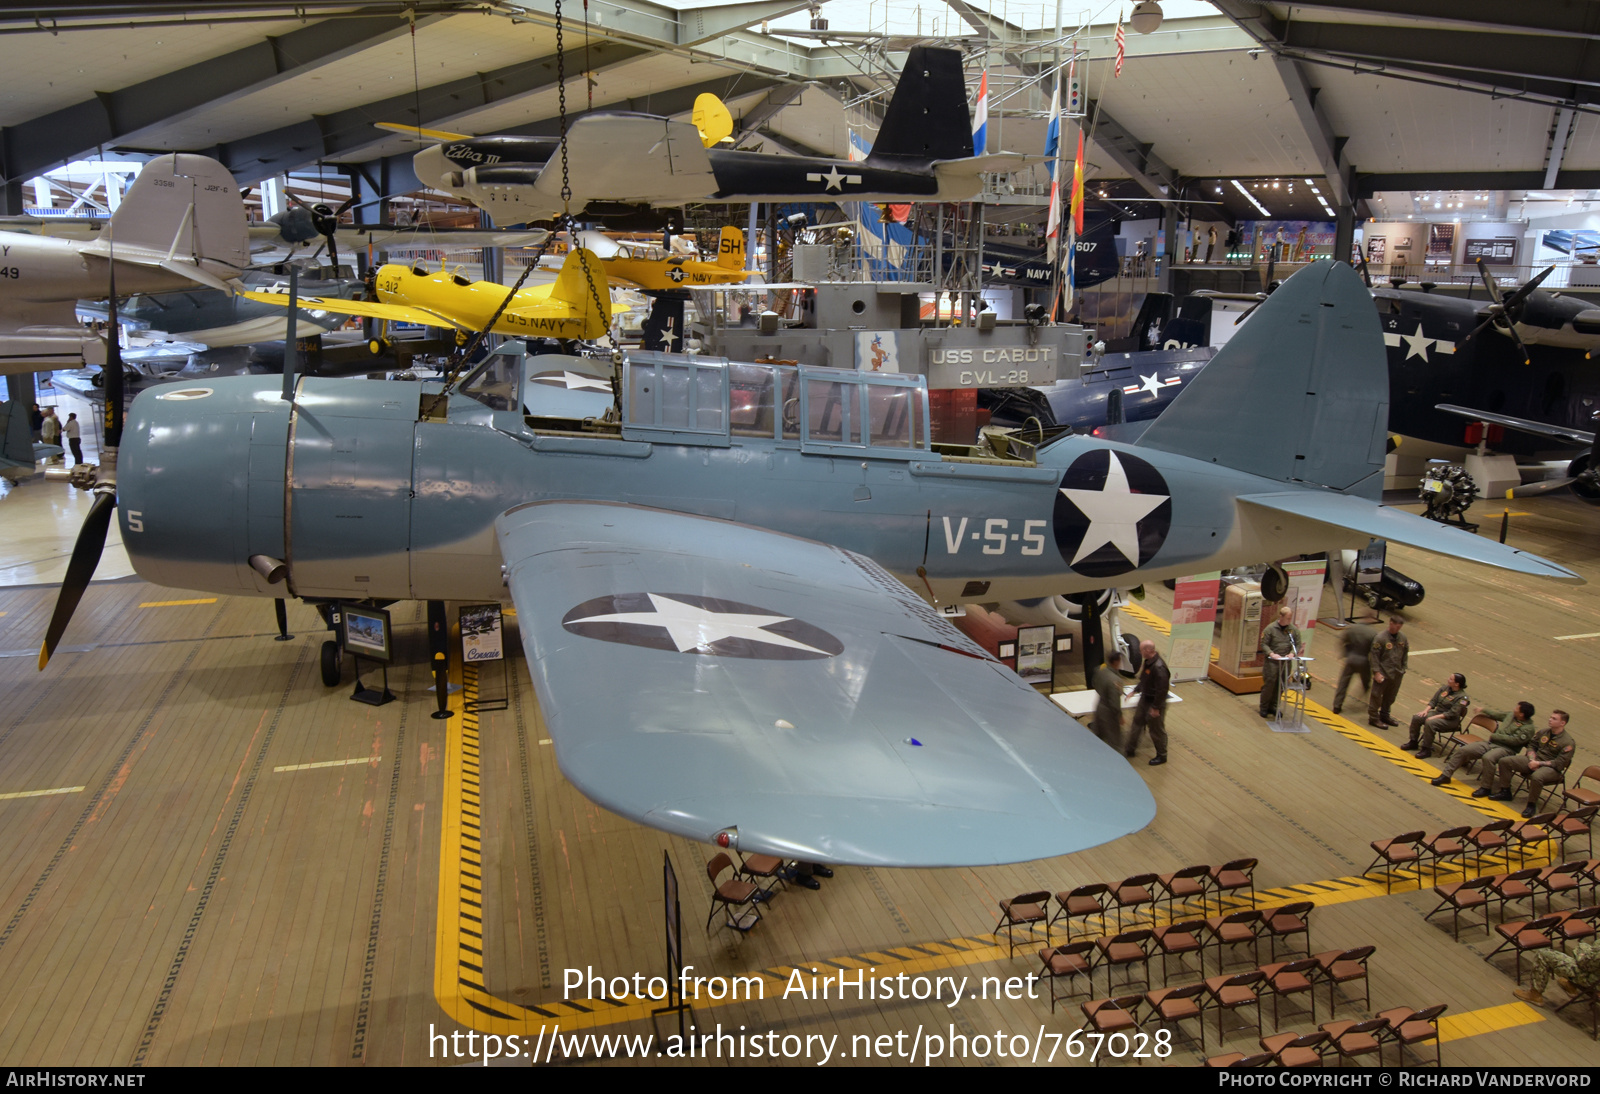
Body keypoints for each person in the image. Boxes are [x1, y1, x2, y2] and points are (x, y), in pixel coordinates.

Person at [1487, 710, 1577, 816]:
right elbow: (1531, 745)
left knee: (1537, 776)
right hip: (1534, 760)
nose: (1550, 720)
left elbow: (1560, 763)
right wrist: (1531, 759)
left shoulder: (1568, 742)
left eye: (1554, 719)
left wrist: (1539, 764)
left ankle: (1531, 805)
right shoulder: (1543, 732)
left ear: (1563, 723)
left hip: (1552, 768)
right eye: (1550, 717)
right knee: (1505, 761)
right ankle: (1505, 791)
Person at [1436, 702, 1537, 788]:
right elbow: (1496, 714)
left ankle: (1486, 787)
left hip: (1506, 749)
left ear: (1521, 714)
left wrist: (1496, 736)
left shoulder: (1528, 728)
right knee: (1464, 750)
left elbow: (1514, 741)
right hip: (1491, 743)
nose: (1514, 709)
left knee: (1488, 758)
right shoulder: (1511, 715)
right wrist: (1483, 709)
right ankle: (1446, 775)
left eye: (1516, 708)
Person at [1402, 672, 1470, 759]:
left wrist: (1434, 717)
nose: (1448, 680)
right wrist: (1425, 711)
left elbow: (1452, 713)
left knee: (1431, 723)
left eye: (1450, 679)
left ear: (1457, 684)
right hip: (1438, 713)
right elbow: (1434, 701)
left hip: (1450, 720)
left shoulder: (1463, 698)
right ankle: (1413, 741)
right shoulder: (1445, 688)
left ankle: (1426, 749)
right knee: (1417, 717)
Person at [1513, 939, 1598, 1008]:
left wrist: (1581, 951)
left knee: (1543, 954)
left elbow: (1583, 964)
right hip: (1595, 978)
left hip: (1589, 980)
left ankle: (1535, 994)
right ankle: (1571, 986)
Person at [1125, 640, 1171, 766]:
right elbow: (1144, 679)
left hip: (1155, 702)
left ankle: (1162, 755)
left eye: (1141, 651)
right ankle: (1130, 749)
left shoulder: (1159, 667)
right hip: (1145, 698)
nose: (1140, 653)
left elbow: (1162, 690)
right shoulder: (1148, 663)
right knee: (1137, 723)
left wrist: (1156, 708)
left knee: (1156, 730)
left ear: (1148, 650)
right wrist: (1135, 690)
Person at [1259, 605, 1301, 719]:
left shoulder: (1293, 630)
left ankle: (1275, 706)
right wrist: (1271, 654)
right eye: (1287, 618)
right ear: (1281, 616)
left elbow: (1297, 644)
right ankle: (1264, 707)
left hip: (1286, 662)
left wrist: (1292, 653)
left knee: (1281, 685)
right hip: (1272, 662)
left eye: (1290, 618)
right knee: (1270, 685)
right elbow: (1264, 644)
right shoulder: (1270, 629)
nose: (1289, 620)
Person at [1367, 616, 1408, 728]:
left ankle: (1385, 715)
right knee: (1376, 696)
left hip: (1396, 673)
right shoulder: (1380, 638)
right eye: (1396, 626)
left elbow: (1405, 653)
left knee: (1390, 696)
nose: (1398, 629)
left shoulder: (1402, 638)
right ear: (1391, 623)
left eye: (1400, 627)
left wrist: (1403, 668)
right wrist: (1376, 672)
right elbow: (1374, 657)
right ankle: (1373, 718)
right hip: (1383, 673)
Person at [1330, 621, 1375, 715]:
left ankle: (1337, 706)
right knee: (1366, 682)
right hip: (1364, 661)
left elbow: (1343, 639)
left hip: (1351, 659)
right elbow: (1375, 651)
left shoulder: (1352, 628)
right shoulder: (1372, 633)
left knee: (1343, 682)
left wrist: (1343, 653)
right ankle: (1368, 701)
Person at [1090, 651, 1127, 748]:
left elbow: (1094, 683)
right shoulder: (1115, 680)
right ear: (1116, 662)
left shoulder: (1100, 669)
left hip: (1099, 706)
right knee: (1115, 741)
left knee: (1097, 735)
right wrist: (1119, 716)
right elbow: (1114, 702)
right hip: (1109, 712)